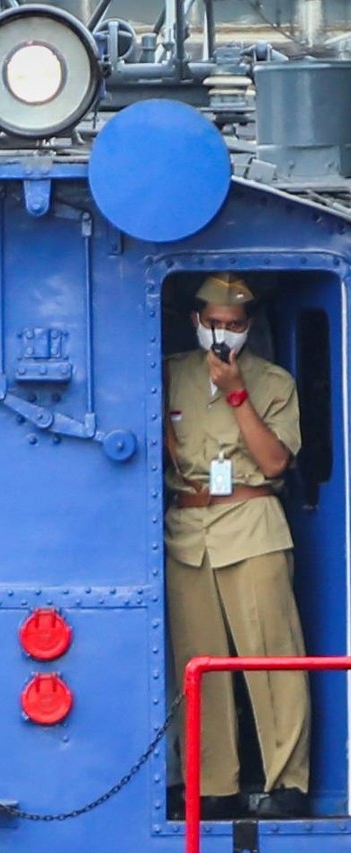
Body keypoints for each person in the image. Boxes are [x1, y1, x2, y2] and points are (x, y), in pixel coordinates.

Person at [164, 273, 310, 820]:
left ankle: (286, 783)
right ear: (196, 322)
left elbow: (274, 463)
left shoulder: (271, 382)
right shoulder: (170, 375)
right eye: (214, 323)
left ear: (249, 328)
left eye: (235, 325)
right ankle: (211, 785)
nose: (223, 334)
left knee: (273, 657)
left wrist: (235, 394)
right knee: (198, 663)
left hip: (251, 523)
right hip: (188, 531)